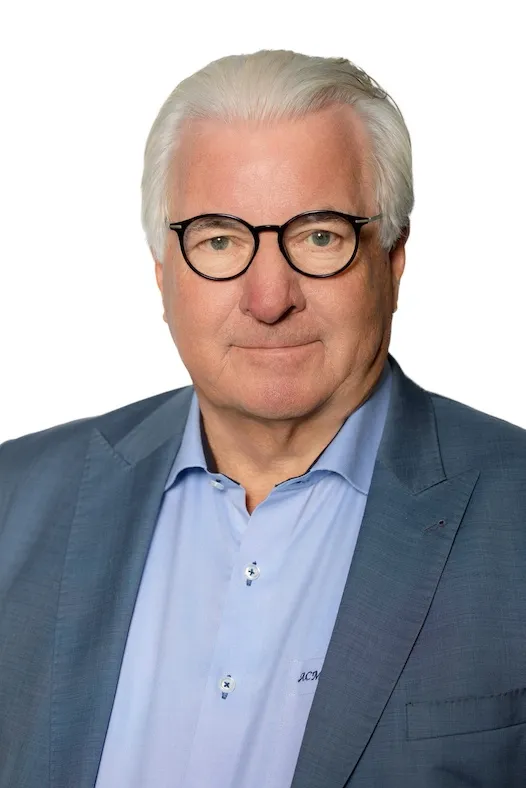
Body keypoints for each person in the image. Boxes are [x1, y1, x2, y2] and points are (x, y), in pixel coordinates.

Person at [1, 49, 525, 788]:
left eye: (319, 236)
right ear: (162, 272)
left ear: (393, 260)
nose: (270, 298)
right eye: (219, 240)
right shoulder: (14, 502)